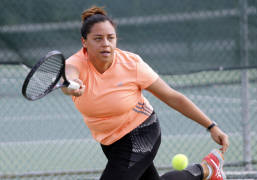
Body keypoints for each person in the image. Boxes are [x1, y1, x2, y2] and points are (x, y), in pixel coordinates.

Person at [62, 6, 229, 180]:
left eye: (110, 38)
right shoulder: (75, 64)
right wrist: (72, 85)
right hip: (110, 141)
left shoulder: (131, 64)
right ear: (84, 42)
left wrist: (211, 126)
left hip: (141, 131)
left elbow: (172, 97)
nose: (106, 43)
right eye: (98, 39)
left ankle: (206, 170)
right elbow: (68, 78)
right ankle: (206, 169)